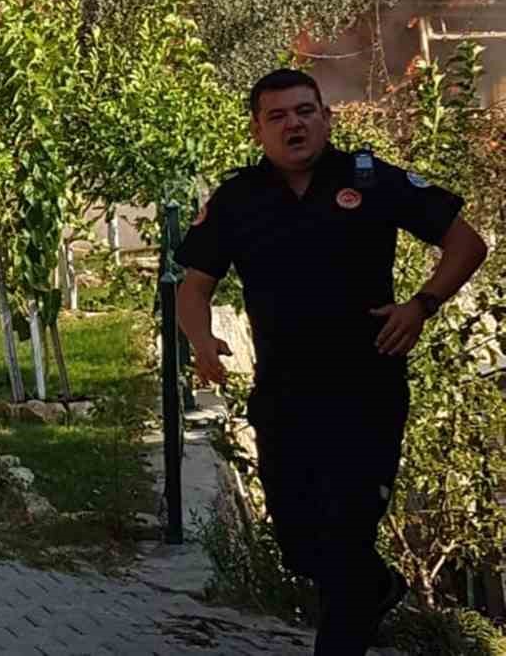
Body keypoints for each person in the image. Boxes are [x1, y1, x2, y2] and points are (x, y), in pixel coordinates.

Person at [176, 68, 488, 656]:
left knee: (345, 543)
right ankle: (379, 585)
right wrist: (202, 342)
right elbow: (194, 285)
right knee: (299, 546)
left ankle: (353, 609)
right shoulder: (238, 199)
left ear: (326, 117)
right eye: (278, 116)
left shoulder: (370, 180)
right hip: (284, 397)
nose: (294, 123)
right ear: (257, 129)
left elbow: (467, 244)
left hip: (365, 393)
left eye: (305, 111)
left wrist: (422, 305)